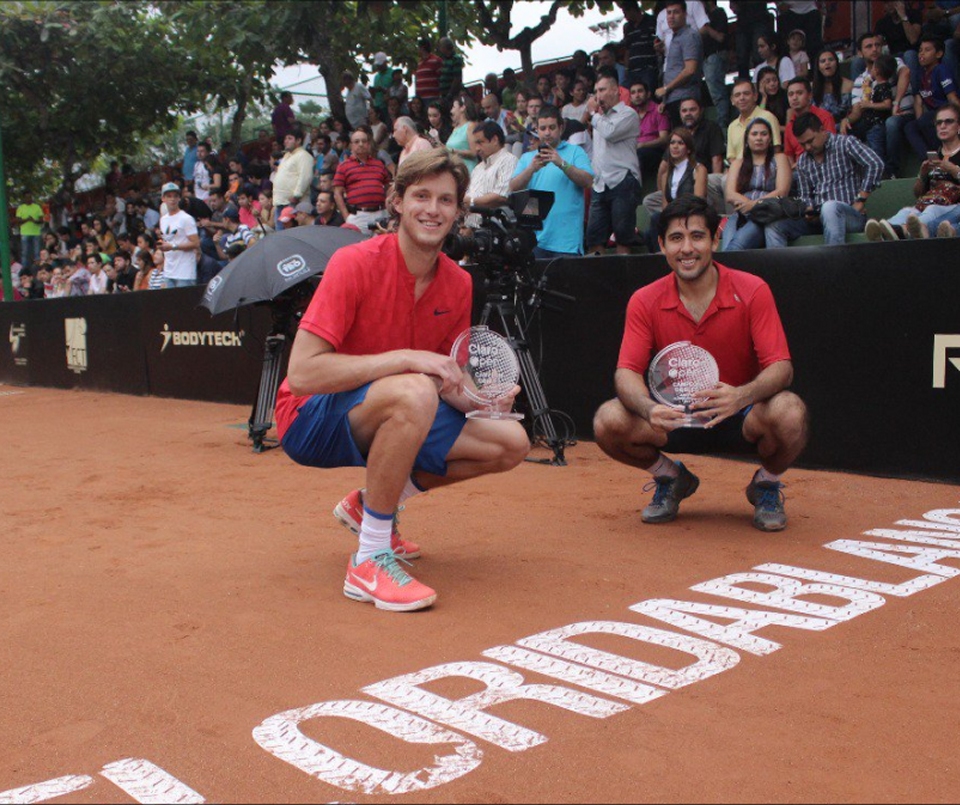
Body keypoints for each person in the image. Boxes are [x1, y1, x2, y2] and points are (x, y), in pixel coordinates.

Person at [275, 149, 529, 612]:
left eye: (446, 200)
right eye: (421, 196)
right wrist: (405, 359)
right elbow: (304, 373)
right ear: (397, 201)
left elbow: (449, 379)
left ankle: (370, 505)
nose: (433, 209)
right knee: (413, 385)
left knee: (511, 440)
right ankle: (369, 558)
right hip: (310, 419)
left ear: (458, 211)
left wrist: (479, 399)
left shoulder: (459, 283)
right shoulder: (353, 263)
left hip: (399, 408)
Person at [593, 194, 808, 532]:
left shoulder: (752, 290)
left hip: (741, 416)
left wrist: (742, 395)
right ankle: (671, 478)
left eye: (697, 236)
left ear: (715, 239)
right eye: (676, 238)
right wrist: (650, 410)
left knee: (790, 411)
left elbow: (782, 367)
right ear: (662, 245)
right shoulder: (645, 299)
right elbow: (626, 372)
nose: (687, 248)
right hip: (674, 418)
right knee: (608, 419)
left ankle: (766, 485)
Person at [766, 111, 884, 247]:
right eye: (802, 144)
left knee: (830, 207)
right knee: (774, 226)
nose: (807, 147)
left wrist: (861, 199)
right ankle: (779, 268)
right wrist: (809, 209)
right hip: (818, 219)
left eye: (810, 141)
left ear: (822, 130)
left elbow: (875, 163)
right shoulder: (803, 160)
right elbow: (805, 195)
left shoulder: (845, 143)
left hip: (849, 214)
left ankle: (833, 265)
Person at [509, 105, 595, 258]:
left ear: (561, 128)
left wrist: (562, 163)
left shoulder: (575, 151)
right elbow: (513, 188)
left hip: (567, 243)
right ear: (537, 129)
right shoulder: (528, 158)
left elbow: (588, 181)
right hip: (536, 241)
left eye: (552, 127)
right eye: (542, 128)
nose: (547, 132)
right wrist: (531, 169)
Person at [866, 101, 960, 240]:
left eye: (948, 121)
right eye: (939, 123)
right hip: (927, 203)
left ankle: (904, 231)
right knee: (907, 212)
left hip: (953, 206)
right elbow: (918, 194)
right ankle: (884, 233)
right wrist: (922, 175)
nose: (943, 126)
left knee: (932, 210)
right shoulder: (935, 155)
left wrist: (954, 171)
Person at [586, 73, 642, 255]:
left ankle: (623, 281)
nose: (598, 96)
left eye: (601, 90)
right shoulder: (599, 119)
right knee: (594, 239)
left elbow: (610, 132)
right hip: (600, 183)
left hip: (623, 180)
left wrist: (594, 114)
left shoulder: (629, 114)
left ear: (616, 90)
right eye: (595, 91)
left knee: (623, 239)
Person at [848, 32, 916, 179]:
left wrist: (896, 103)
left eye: (877, 45)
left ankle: (892, 171)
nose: (874, 49)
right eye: (869, 46)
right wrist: (846, 121)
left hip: (904, 114)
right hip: (879, 121)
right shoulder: (861, 80)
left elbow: (906, 72)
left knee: (891, 122)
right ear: (860, 53)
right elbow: (857, 111)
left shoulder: (894, 62)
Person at [722, 117, 793, 250]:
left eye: (764, 134)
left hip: (765, 215)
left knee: (735, 247)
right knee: (726, 252)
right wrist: (749, 205)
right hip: (740, 215)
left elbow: (782, 191)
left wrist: (755, 205)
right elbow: (730, 194)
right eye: (754, 134)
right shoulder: (738, 163)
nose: (759, 138)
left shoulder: (779, 159)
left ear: (770, 139)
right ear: (747, 140)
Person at [646, 127, 709, 251]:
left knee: (655, 219)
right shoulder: (666, 174)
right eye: (672, 142)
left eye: (680, 143)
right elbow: (665, 206)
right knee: (649, 232)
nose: (675, 146)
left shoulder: (698, 169)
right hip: (673, 216)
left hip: (691, 214)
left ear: (689, 149)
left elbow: (698, 201)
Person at [905, 36, 960, 159]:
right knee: (910, 127)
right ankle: (931, 161)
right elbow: (918, 102)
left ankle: (942, 155)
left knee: (926, 120)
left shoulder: (941, 70)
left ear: (939, 54)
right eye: (920, 50)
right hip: (933, 116)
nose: (921, 54)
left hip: (946, 111)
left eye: (927, 50)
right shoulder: (920, 74)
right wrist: (919, 123)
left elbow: (952, 98)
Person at [655, 0, 705, 128]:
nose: (671, 16)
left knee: (688, 140)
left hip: (687, 97)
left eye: (676, 12)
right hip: (674, 98)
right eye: (669, 13)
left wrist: (666, 89)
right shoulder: (675, 37)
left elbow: (690, 70)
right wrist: (665, 100)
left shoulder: (689, 35)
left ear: (685, 14)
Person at [333, 125, 392, 232]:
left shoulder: (378, 164)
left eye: (364, 141)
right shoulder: (344, 166)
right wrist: (346, 217)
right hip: (358, 216)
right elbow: (337, 193)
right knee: (358, 247)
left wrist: (388, 209)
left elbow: (388, 188)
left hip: (381, 214)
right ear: (351, 145)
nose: (361, 144)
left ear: (368, 144)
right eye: (357, 141)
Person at [463, 121, 518, 229]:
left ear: (494, 140)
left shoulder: (509, 161)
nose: (477, 148)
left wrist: (472, 202)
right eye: (476, 144)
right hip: (470, 230)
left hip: (495, 231)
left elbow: (501, 197)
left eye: (480, 142)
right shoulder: (478, 168)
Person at [843, 55, 897, 164]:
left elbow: (887, 104)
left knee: (877, 152)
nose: (870, 70)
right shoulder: (875, 85)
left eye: (872, 68)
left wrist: (869, 105)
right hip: (869, 125)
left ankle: (882, 173)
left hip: (876, 126)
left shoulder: (884, 87)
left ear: (876, 70)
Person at [783, 76, 838, 167]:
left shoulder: (824, 117)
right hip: (799, 172)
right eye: (791, 94)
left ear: (810, 95)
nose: (794, 98)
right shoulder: (789, 126)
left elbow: (831, 146)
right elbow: (789, 156)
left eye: (799, 93)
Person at [727, 78, 782, 162]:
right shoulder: (732, 126)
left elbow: (776, 149)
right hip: (739, 171)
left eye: (746, 93)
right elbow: (731, 157)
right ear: (732, 100)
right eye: (737, 95)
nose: (742, 98)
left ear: (755, 96)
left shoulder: (768, 117)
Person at [157, 182, 200, 288]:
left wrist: (173, 246)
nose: (172, 199)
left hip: (184, 272)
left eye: (175, 196)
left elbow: (196, 243)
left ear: (179, 198)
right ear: (163, 198)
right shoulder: (163, 219)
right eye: (169, 196)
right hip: (169, 271)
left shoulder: (186, 218)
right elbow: (167, 240)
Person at [272, 124, 314, 231]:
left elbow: (305, 177)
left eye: (290, 138)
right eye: (285, 138)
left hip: (295, 203)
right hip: (281, 202)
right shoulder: (287, 156)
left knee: (294, 234)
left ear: (299, 141)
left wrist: (297, 195)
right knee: (281, 237)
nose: (286, 141)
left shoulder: (303, 155)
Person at [631, 80, 671, 181]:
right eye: (633, 92)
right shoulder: (631, 114)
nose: (637, 95)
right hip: (635, 150)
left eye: (640, 91)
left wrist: (643, 145)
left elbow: (664, 139)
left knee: (639, 155)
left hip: (655, 152)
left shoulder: (658, 110)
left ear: (648, 94)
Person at [701, 0, 732, 127]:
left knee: (717, 92)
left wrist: (706, 27)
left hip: (716, 55)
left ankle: (722, 125)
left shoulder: (718, 13)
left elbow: (720, 37)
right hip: (705, 58)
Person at [622, 0, 659, 92]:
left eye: (626, 13)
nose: (625, 16)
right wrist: (626, 68)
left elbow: (658, 41)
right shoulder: (627, 27)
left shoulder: (652, 21)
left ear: (633, 10)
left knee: (647, 93)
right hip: (632, 70)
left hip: (648, 68)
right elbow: (627, 49)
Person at [812, 49, 854, 125]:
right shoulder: (811, 87)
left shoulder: (849, 85)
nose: (827, 63)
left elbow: (855, 112)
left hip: (843, 127)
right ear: (818, 66)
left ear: (837, 63)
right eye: (823, 61)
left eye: (831, 60)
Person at [445, 95, 480, 172]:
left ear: (462, 108)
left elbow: (474, 152)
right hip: (456, 171)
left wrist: (453, 151)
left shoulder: (470, 126)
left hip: (468, 170)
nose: (451, 111)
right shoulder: (455, 128)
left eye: (454, 107)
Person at [14, 191, 44, 270]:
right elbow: (17, 221)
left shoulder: (37, 207)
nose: (29, 199)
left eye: (30, 197)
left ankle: (38, 268)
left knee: (37, 253)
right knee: (25, 253)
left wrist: (34, 220)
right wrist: (27, 219)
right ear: (24, 198)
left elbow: (41, 220)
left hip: (36, 232)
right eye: (27, 197)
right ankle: (25, 269)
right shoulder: (21, 208)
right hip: (25, 232)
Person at [757, 65, 789, 130]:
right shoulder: (758, 99)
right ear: (760, 84)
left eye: (775, 80)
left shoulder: (785, 96)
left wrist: (771, 127)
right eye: (768, 81)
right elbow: (759, 120)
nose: (772, 84)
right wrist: (764, 97)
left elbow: (788, 128)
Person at [438, 37, 464, 108]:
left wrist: (450, 94)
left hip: (451, 95)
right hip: (444, 94)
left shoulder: (456, 59)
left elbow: (457, 78)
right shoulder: (444, 60)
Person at [415, 39, 443, 105]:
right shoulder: (419, 63)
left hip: (432, 97)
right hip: (421, 99)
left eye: (418, 48)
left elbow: (441, 77)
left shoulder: (436, 60)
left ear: (422, 48)